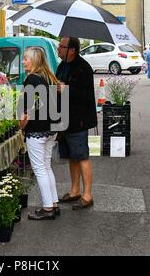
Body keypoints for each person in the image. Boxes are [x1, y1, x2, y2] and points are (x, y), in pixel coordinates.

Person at [56, 37, 97, 210]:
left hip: (78, 119)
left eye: (62, 46)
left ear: (71, 50)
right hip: (64, 119)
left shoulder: (84, 68)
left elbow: (86, 96)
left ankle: (88, 195)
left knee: (82, 157)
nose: (58, 49)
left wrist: (67, 89)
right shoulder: (62, 66)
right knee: (71, 157)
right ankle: (75, 191)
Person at [19, 47, 60, 220]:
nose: (23, 61)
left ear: (34, 60)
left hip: (37, 130)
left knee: (39, 169)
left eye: (26, 58)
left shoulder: (32, 79)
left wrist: (20, 126)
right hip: (51, 129)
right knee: (46, 166)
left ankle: (48, 207)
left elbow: (25, 109)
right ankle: (54, 203)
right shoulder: (49, 77)